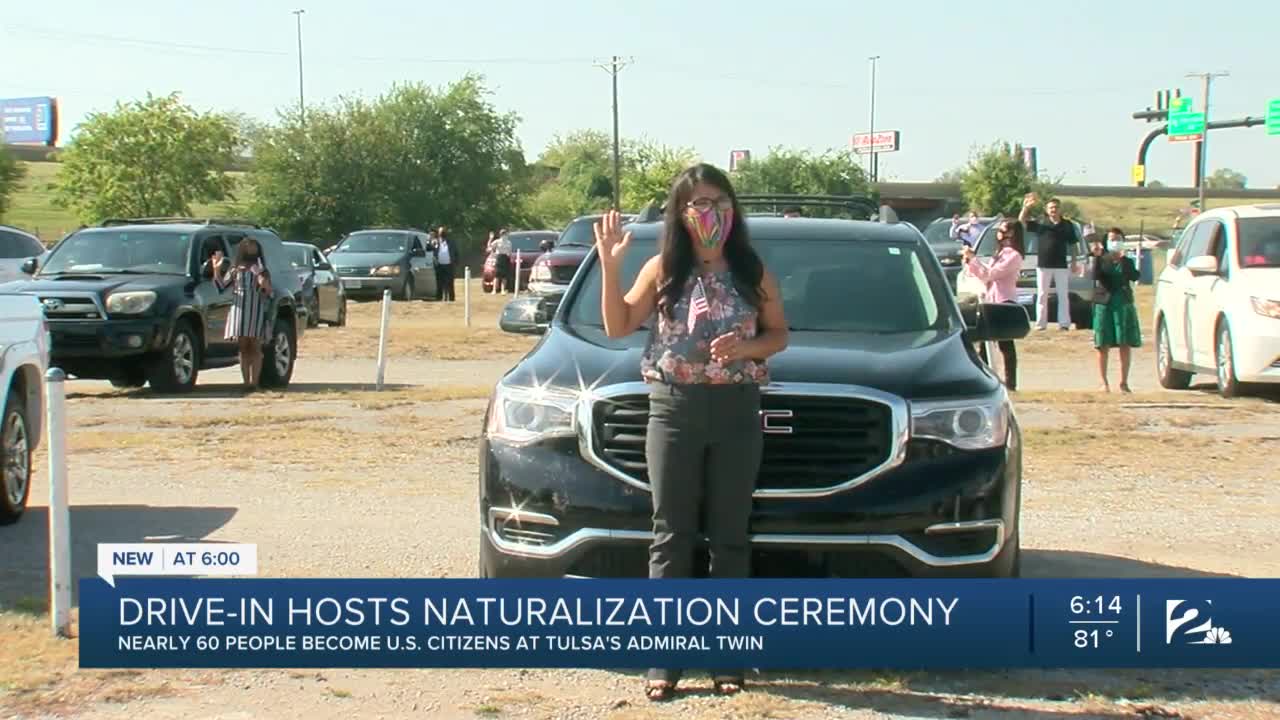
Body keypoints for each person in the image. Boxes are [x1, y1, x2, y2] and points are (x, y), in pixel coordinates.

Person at [596, 163, 788, 702]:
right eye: (698, 203)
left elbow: (779, 335)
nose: (710, 213)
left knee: (729, 536)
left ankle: (728, 656)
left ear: (733, 209)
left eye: (719, 202)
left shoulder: (751, 270)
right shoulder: (662, 268)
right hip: (673, 409)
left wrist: (747, 349)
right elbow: (617, 326)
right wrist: (611, 268)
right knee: (672, 535)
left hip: (735, 408)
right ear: (680, 213)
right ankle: (664, 660)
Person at [961, 219, 1025, 390]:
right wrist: (969, 261)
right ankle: (984, 382)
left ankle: (1011, 383)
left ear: (1012, 233)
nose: (999, 233)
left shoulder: (1013, 256)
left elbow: (990, 274)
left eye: (1003, 229)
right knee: (985, 345)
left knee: (1005, 344)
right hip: (991, 300)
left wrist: (974, 260)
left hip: (1004, 302)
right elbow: (982, 275)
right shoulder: (1000, 253)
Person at [208, 238, 273, 390]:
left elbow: (269, 291)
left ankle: (255, 382)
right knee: (243, 348)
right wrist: (216, 269)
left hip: (256, 310)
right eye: (248, 246)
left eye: (254, 246)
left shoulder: (262, 269)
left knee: (255, 347)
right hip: (239, 310)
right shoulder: (235, 269)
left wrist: (261, 278)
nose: (251, 249)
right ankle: (245, 383)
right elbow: (220, 287)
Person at [1091, 227, 1142, 393]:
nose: (1115, 241)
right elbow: (1096, 276)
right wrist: (1097, 257)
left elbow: (1135, 276)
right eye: (1112, 239)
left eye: (1118, 238)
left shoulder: (1127, 261)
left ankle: (1124, 382)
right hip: (1104, 304)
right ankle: (1103, 383)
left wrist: (1124, 260)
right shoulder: (1102, 259)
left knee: (1124, 343)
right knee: (1102, 344)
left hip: (1123, 303)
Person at [1018, 193, 1077, 331]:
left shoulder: (1067, 225)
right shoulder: (1041, 222)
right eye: (1050, 208)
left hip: (1061, 265)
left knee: (1063, 294)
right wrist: (1025, 207)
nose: (1053, 210)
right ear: (1046, 209)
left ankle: (1064, 324)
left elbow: (1073, 244)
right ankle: (1040, 324)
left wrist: (1074, 261)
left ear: (1060, 209)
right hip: (1043, 264)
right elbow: (1022, 221)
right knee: (1042, 294)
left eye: (1056, 207)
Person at [433, 226, 457, 301]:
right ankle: (439, 298)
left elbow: (456, 253)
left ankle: (451, 299)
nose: (442, 234)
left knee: (450, 283)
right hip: (439, 265)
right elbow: (430, 250)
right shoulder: (436, 242)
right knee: (439, 283)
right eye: (440, 232)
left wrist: (455, 262)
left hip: (449, 265)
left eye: (443, 232)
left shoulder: (451, 242)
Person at [490, 229, 512, 294]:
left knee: (504, 276)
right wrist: (491, 239)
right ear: (500, 235)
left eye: (505, 234)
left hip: (506, 258)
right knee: (497, 275)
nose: (504, 235)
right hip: (499, 258)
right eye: (502, 234)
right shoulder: (497, 241)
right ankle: (494, 290)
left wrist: (509, 257)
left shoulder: (509, 242)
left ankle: (503, 290)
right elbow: (490, 246)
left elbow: (509, 252)